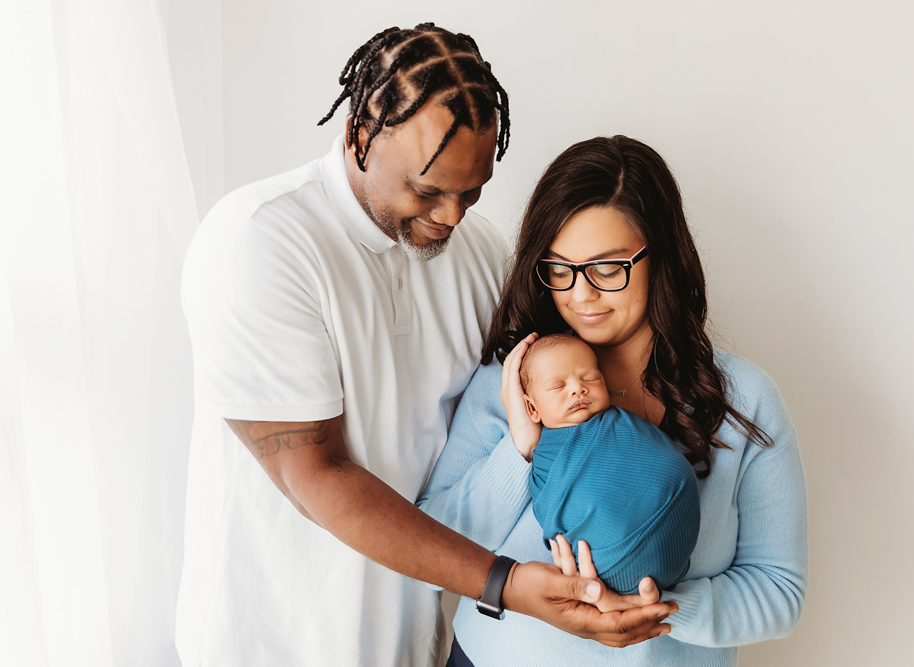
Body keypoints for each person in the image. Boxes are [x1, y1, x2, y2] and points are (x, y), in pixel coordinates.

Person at [176, 24, 675, 667]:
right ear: (360, 134)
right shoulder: (258, 242)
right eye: (427, 189)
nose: (451, 216)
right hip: (271, 644)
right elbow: (314, 475)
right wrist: (507, 585)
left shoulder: (481, 253)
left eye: (472, 191)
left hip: (416, 646)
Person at [418, 135, 808, 666]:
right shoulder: (512, 383)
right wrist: (522, 448)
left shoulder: (744, 399)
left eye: (607, 268)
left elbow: (779, 590)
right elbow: (436, 544)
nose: (581, 295)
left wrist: (659, 610)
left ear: (660, 258)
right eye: (559, 268)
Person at [518, 333, 700, 595]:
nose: (577, 388)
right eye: (559, 386)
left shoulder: (623, 423)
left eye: (590, 378)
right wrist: (523, 443)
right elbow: (551, 510)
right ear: (531, 408)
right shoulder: (545, 460)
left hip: (677, 528)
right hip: (608, 569)